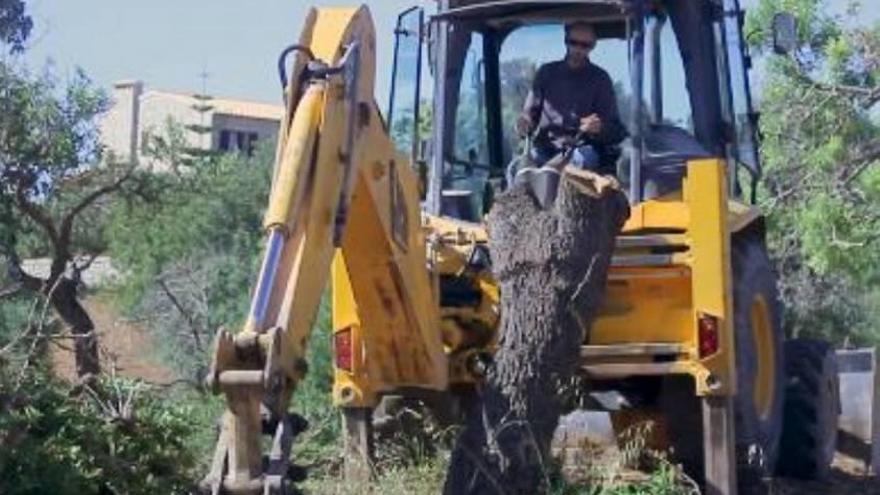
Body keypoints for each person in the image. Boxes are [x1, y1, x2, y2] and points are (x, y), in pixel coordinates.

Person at [515, 21, 627, 175]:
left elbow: (615, 130)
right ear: (566, 41)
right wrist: (524, 123)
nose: (578, 49)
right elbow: (529, 115)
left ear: (593, 46)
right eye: (573, 43)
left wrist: (598, 127)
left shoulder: (600, 80)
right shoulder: (546, 73)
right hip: (545, 150)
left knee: (580, 162)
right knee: (519, 170)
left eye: (585, 45)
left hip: (580, 150)